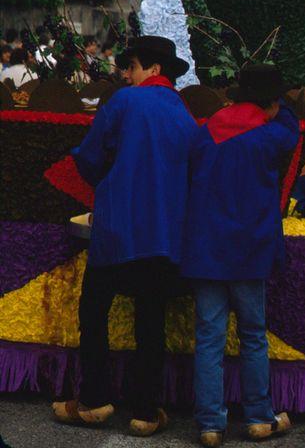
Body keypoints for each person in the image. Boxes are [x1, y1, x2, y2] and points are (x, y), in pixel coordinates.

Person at [52, 36, 198, 436]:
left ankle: (94, 401)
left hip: (117, 228)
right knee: (150, 322)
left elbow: (89, 155)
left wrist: (108, 184)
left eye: (130, 66)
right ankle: (146, 412)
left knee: (94, 312)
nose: (126, 74)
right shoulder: (185, 116)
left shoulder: (123, 102)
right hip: (163, 235)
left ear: (150, 69)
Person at [181, 64, 299, 447]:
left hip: (206, 249)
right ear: (271, 102)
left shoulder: (208, 129)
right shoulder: (271, 134)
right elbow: (293, 127)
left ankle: (210, 425)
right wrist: (276, 104)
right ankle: (259, 418)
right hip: (249, 250)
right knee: (252, 336)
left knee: (209, 338)